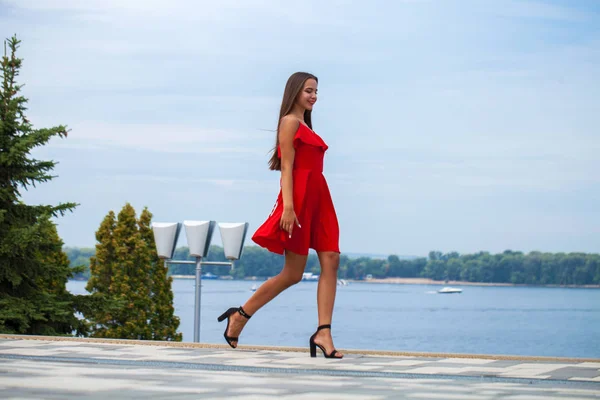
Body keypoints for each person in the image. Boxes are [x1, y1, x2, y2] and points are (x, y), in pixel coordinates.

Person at [217, 72, 343, 359]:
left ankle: (324, 331)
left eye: (316, 91)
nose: (313, 96)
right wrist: (288, 207)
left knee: (332, 259)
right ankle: (240, 315)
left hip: (320, 197)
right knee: (292, 274)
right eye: (308, 90)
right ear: (295, 92)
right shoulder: (289, 122)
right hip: (298, 199)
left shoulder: (306, 126)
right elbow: (287, 168)